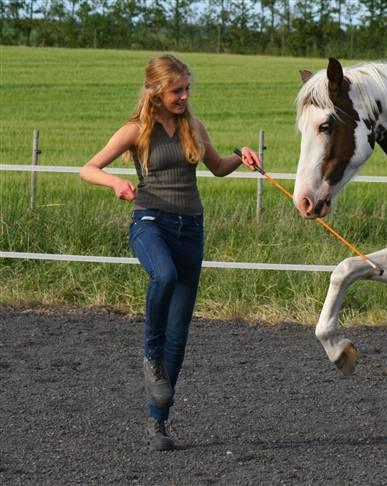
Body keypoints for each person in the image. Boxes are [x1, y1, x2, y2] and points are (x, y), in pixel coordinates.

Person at [80, 54, 261, 451]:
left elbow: (216, 166)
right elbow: (88, 168)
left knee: (178, 337)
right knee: (162, 276)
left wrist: (241, 157)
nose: (184, 96)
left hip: (190, 229)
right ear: (157, 91)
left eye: (186, 89)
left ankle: (157, 423)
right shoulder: (135, 130)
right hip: (150, 221)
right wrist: (114, 182)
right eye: (177, 90)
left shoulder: (193, 126)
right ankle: (149, 353)